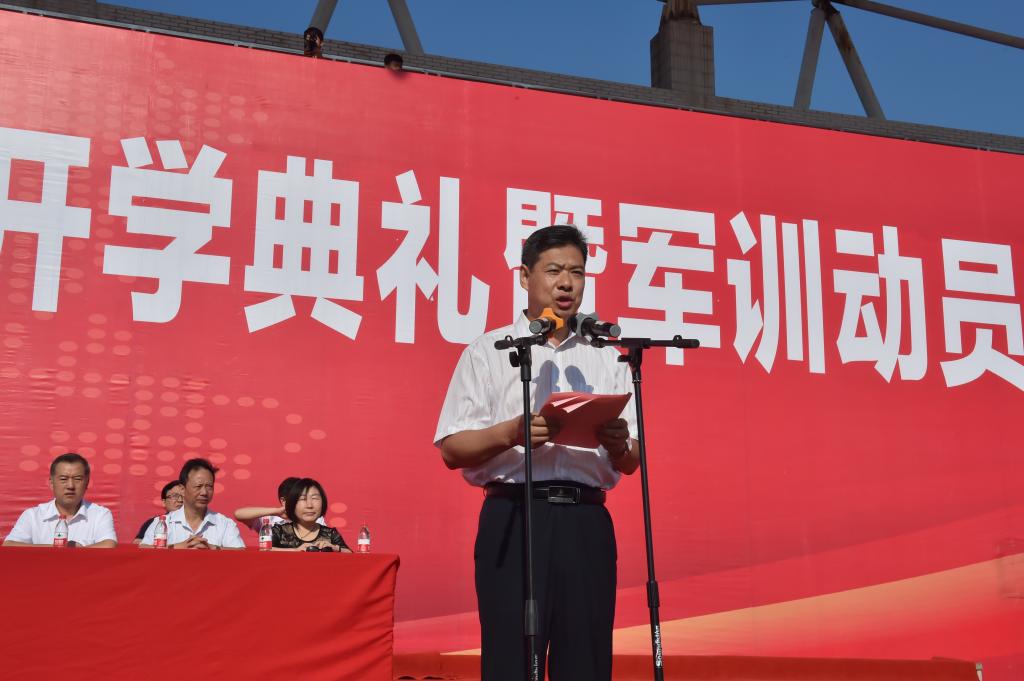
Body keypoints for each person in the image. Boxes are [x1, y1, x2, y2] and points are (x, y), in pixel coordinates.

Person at [434, 224, 639, 681]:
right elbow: (452, 448)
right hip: (514, 518)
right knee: (511, 658)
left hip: (586, 522)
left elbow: (632, 460)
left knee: (585, 661)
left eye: (577, 272)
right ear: (525, 276)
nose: (567, 283)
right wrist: (511, 432)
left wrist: (619, 443)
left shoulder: (608, 355)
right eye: (554, 271)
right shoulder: (488, 351)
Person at [3, 452, 117, 548]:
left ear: (87, 483)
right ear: (51, 483)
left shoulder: (100, 514)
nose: (70, 486)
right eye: (63, 479)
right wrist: (60, 548)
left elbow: (109, 545)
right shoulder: (33, 515)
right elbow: (9, 545)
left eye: (77, 479)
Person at [140, 458, 244, 549]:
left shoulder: (225, 524)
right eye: (198, 486)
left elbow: (240, 553)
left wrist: (213, 548)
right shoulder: (163, 523)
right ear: (182, 489)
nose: (204, 492)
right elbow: (144, 549)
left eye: (209, 487)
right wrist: (177, 547)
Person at [271, 478, 350, 552]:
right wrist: (295, 550)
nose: (309, 505)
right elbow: (265, 550)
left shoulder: (331, 534)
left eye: (315, 498)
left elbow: (350, 555)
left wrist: (336, 548)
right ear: (292, 504)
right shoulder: (279, 531)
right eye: (303, 499)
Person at [233, 476, 325, 533]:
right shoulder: (269, 519)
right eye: (299, 498)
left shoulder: (314, 518)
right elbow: (239, 514)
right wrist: (276, 511)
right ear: (283, 501)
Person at [133, 480, 185, 544]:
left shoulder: (195, 521)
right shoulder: (154, 522)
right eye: (175, 496)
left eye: (184, 496)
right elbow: (137, 543)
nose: (180, 500)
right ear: (164, 502)